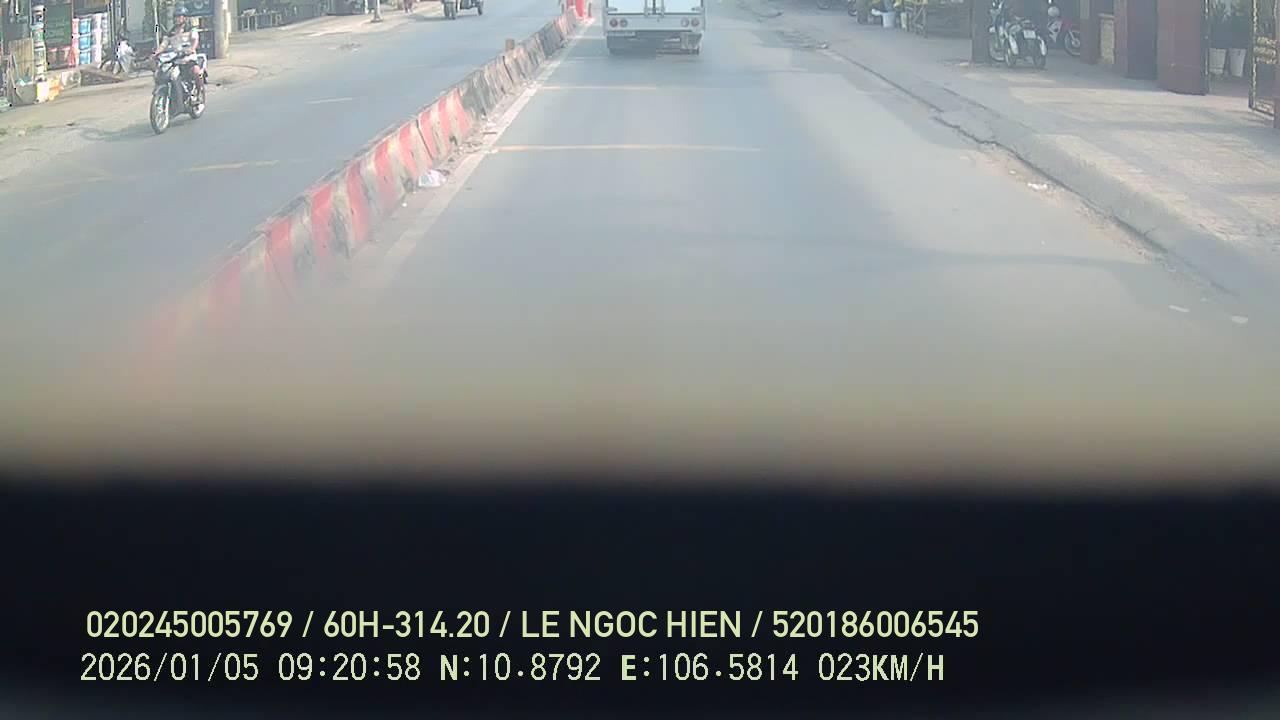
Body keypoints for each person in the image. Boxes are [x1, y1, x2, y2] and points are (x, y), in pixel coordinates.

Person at [156, 8, 206, 94]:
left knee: (196, 72)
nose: (177, 19)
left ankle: (199, 91)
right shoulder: (171, 33)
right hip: (176, 61)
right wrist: (156, 53)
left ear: (185, 18)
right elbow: (163, 45)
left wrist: (192, 49)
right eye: (176, 17)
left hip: (188, 59)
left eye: (179, 17)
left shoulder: (190, 30)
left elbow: (195, 40)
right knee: (165, 75)